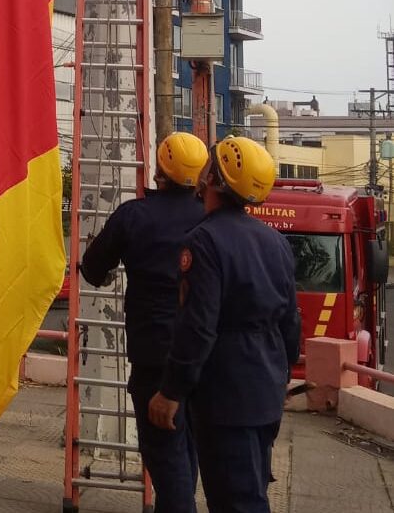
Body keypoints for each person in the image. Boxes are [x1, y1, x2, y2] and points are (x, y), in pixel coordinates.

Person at [149, 135, 300, 513]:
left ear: (214, 179)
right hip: (264, 390)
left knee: (237, 502)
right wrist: (282, 376)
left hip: (226, 394)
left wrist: (171, 391)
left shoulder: (204, 242)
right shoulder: (275, 242)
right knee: (251, 491)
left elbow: (198, 326)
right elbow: (290, 320)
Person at [80, 131, 209, 513]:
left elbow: (92, 268)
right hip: (203, 359)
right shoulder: (210, 219)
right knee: (189, 453)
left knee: (168, 465)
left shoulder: (134, 217)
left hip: (154, 360)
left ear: (159, 171)